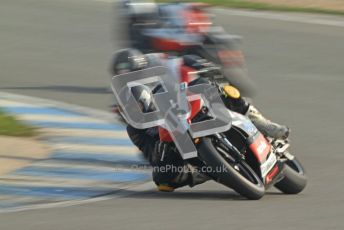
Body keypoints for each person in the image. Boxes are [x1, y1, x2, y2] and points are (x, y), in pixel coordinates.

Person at [112, 48, 289, 191]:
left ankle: (261, 123)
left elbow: (181, 60)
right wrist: (161, 146)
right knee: (162, 180)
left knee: (218, 88)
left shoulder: (157, 64)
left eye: (135, 74)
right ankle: (206, 171)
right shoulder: (134, 126)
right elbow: (149, 153)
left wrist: (200, 65)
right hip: (176, 144)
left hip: (187, 101)